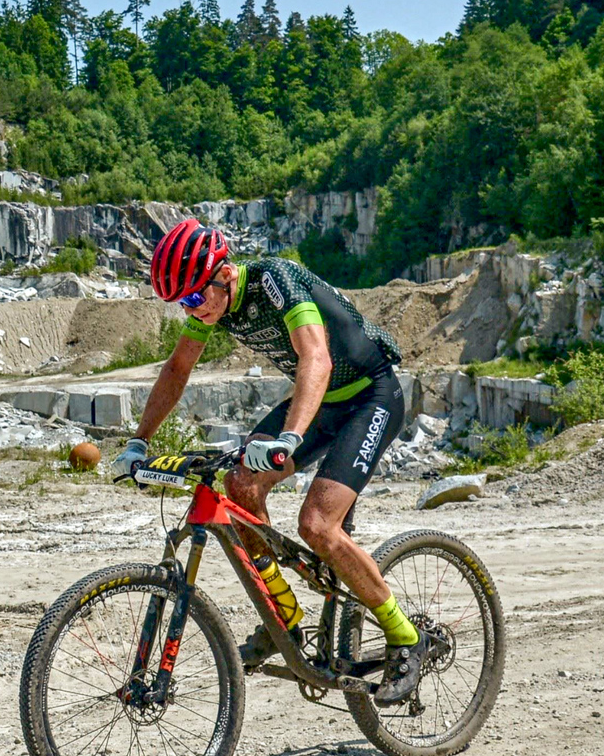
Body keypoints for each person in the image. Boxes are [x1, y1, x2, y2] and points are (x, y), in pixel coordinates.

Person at [110, 218, 427, 704]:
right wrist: (138, 442)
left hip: (371, 396)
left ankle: (406, 636)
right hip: (323, 400)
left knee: (318, 524)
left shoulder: (277, 281)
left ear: (222, 274)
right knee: (240, 486)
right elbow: (177, 369)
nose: (191, 309)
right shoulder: (210, 304)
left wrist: (289, 437)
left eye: (194, 298)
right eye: (183, 304)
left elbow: (316, 360)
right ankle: (284, 620)